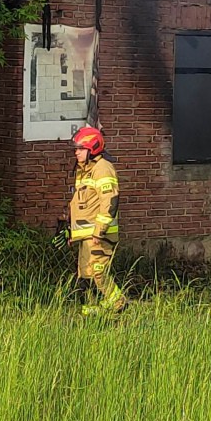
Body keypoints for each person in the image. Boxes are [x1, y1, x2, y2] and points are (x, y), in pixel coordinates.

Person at [67, 126, 127, 314]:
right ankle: (91, 311)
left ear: (92, 148)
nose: (76, 152)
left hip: (98, 235)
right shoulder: (83, 170)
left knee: (98, 273)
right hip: (85, 235)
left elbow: (109, 201)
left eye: (80, 148)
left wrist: (99, 231)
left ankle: (119, 304)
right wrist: (70, 229)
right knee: (85, 274)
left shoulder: (102, 169)